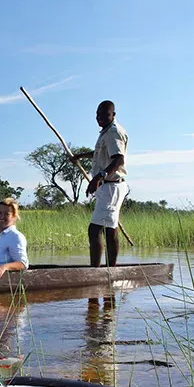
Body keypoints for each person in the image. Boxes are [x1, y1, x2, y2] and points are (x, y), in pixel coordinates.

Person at [69, 100, 129, 267]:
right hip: (109, 186)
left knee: (95, 229)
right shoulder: (105, 132)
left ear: (113, 115)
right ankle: (109, 269)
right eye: (98, 115)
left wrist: (98, 178)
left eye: (105, 115)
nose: (100, 118)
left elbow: (118, 159)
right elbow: (99, 153)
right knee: (109, 229)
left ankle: (97, 272)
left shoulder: (113, 132)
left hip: (111, 185)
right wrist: (79, 156)